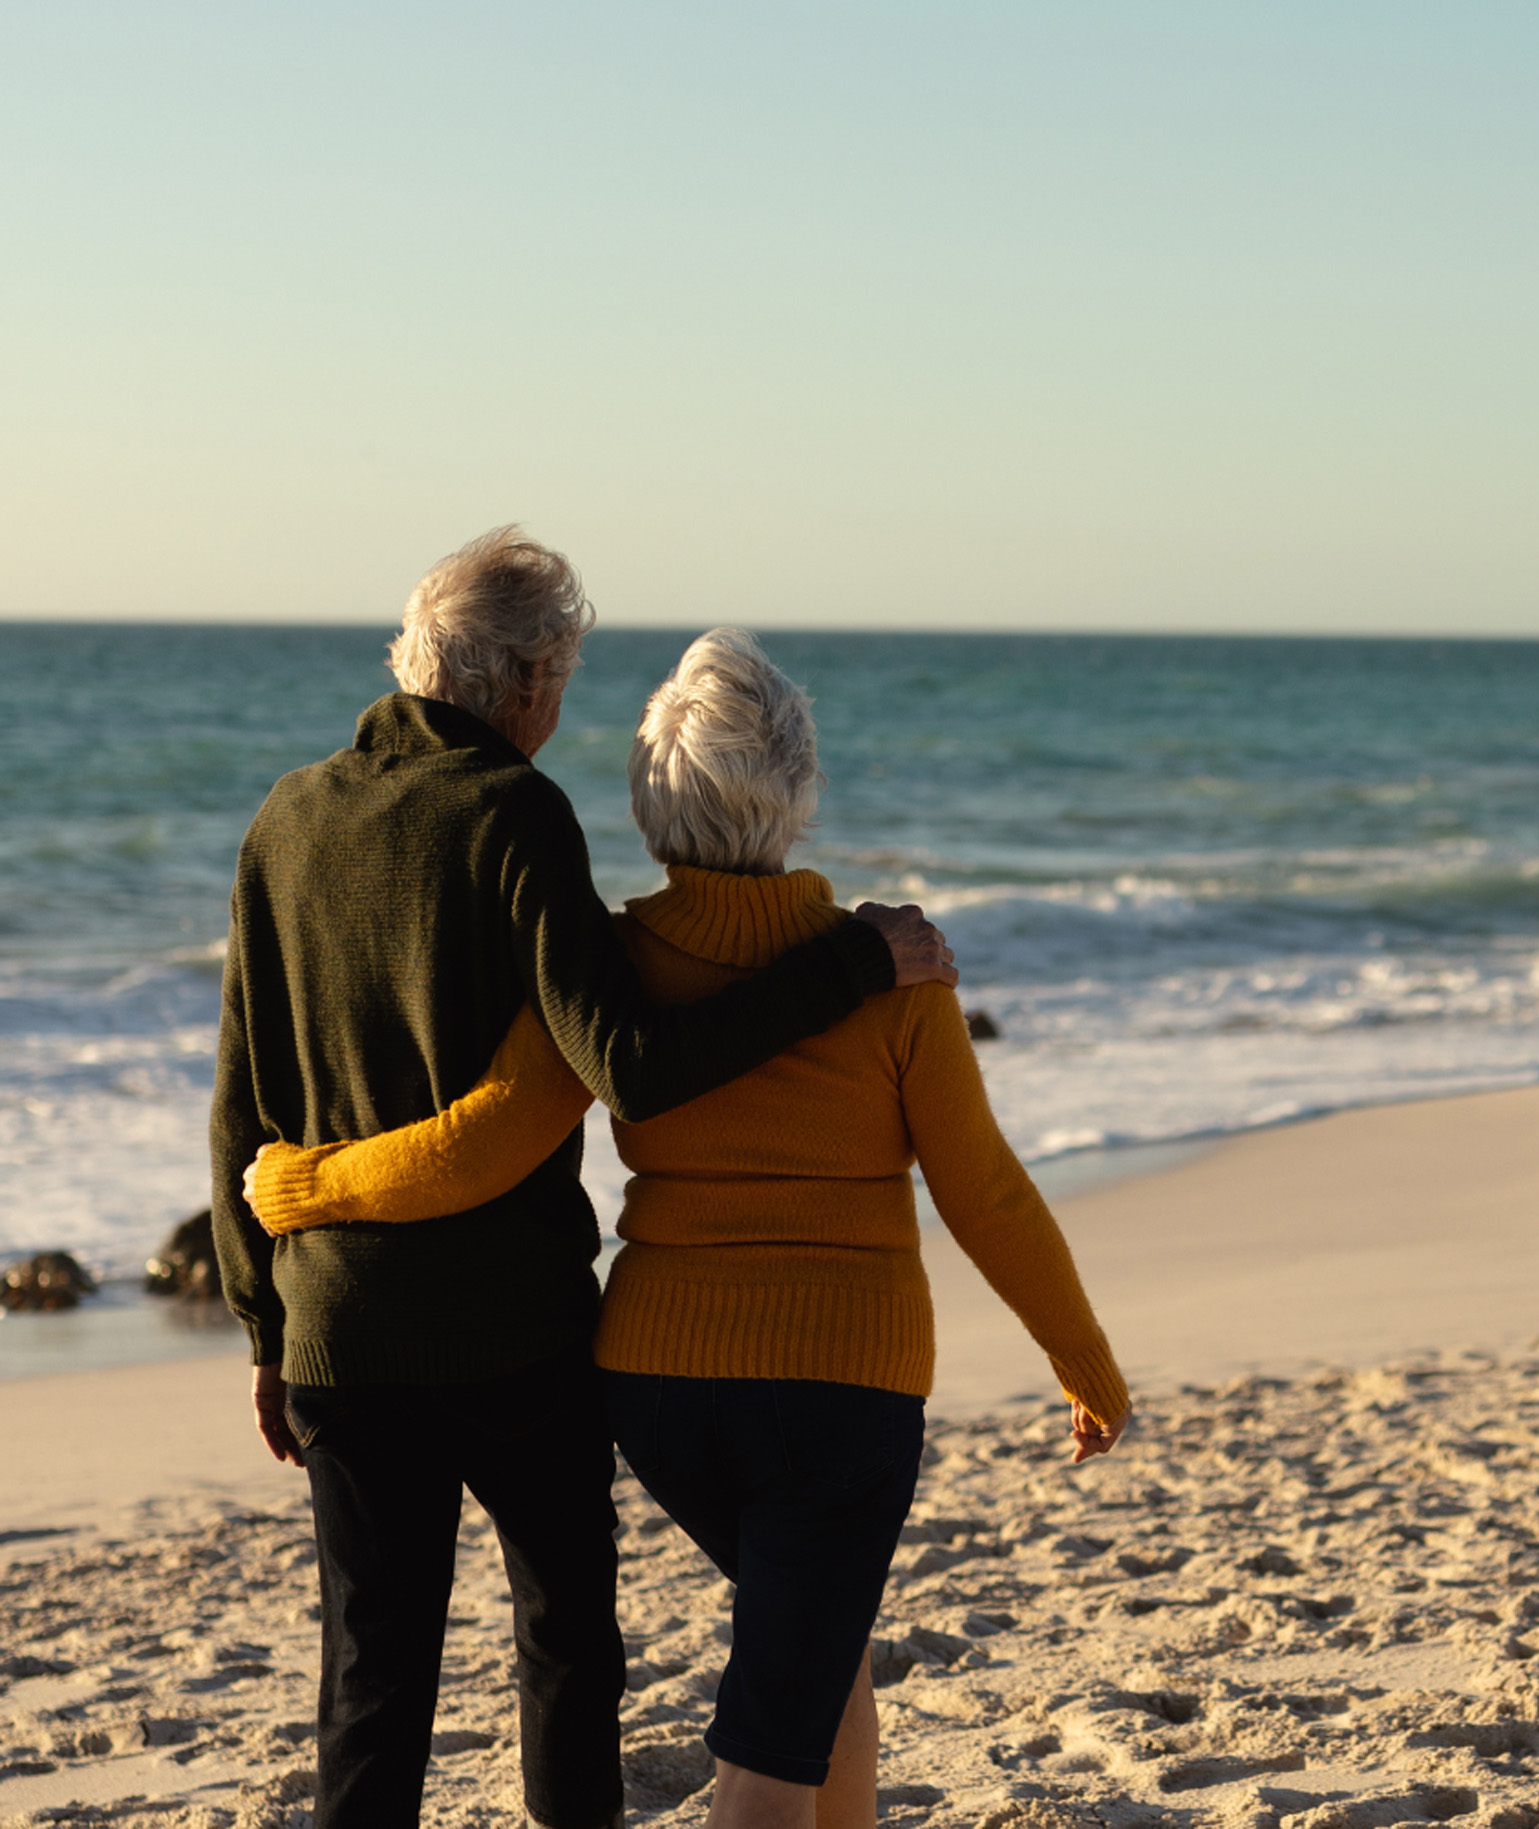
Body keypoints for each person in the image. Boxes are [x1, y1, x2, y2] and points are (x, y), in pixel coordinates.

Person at [246, 628, 1131, 1829]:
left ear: (649, 796)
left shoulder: (610, 967)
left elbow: (488, 1136)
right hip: (839, 1390)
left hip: (658, 1390)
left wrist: (308, 1187)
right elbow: (988, 1197)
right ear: (798, 791)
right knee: (776, 1720)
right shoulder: (892, 972)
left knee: (818, 1647)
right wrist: (1081, 1356)